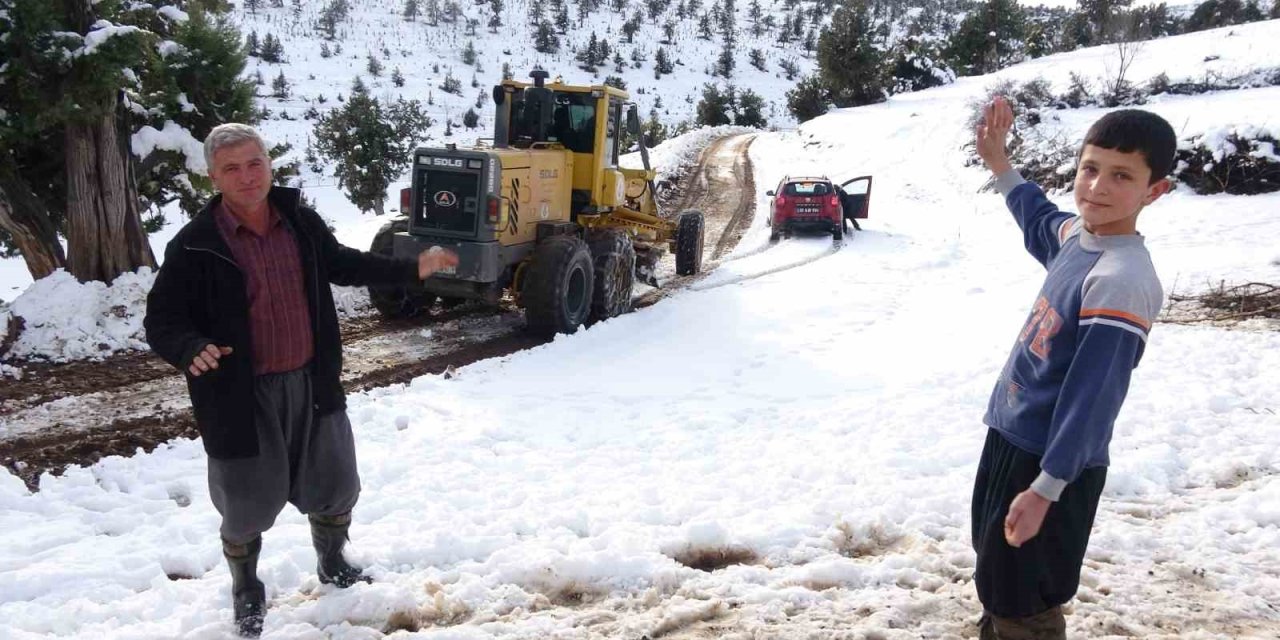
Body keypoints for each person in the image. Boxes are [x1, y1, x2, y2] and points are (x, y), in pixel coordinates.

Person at [143, 123, 458, 637]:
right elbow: (162, 319)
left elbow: (342, 264)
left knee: (336, 483)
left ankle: (332, 562)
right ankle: (246, 588)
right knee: (246, 503)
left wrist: (410, 269)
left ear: (269, 164)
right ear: (213, 177)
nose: (247, 176)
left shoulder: (298, 221)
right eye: (232, 168)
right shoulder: (196, 245)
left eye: (255, 163)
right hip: (239, 397)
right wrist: (189, 347)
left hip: (312, 383)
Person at [970, 97, 1175, 639]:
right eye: (1090, 168)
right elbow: (1038, 218)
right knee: (997, 578)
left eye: (1122, 176)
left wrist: (1047, 487)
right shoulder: (1078, 241)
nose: (1097, 187)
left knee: (1025, 598)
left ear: (1155, 190)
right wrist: (1000, 164)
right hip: (1010, 438)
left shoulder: (1121, 279)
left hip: (1051, 461)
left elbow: (1093, 400)